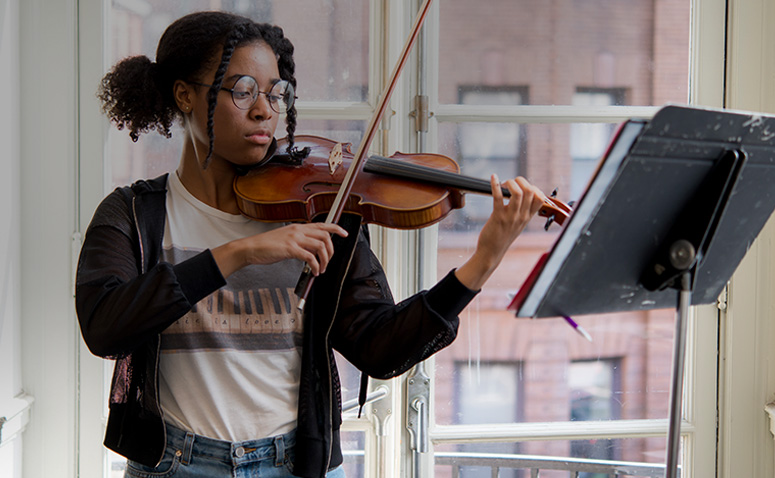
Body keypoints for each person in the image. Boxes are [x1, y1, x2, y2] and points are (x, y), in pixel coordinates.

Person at [75, 10, 546, 478]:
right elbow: (104, 328)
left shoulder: (316, 209)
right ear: (184, 95)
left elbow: (378, 347)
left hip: (295, 464)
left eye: (276, 94)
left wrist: (481, 263)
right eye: (242, 91)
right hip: (176, 465)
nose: (265, 110)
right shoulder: (133, 214)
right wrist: (239, 253)